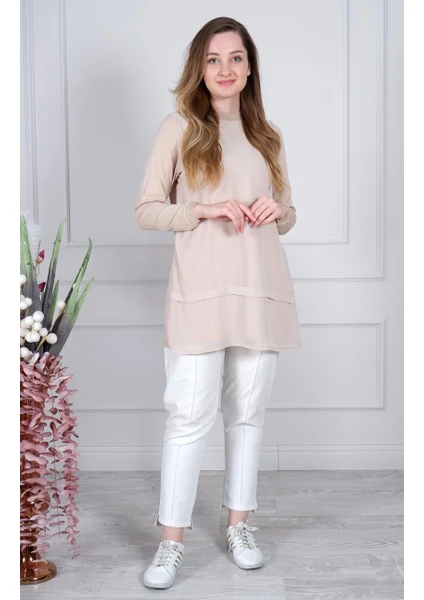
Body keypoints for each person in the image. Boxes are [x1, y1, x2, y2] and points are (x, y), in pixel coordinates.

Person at [134, 15, 301, 590]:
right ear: (199, 69)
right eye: (213, 59)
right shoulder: (179, 127)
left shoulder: (267, 134)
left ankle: (239, 526)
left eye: (235, 58)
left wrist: (279, 210)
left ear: (250, 67)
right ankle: (171, 542)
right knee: (187, 416)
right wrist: (202, 210)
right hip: (200, 291)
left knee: (247, 414)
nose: (225, 69)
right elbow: (146, 210)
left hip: (259, 288)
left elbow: (287, 214)